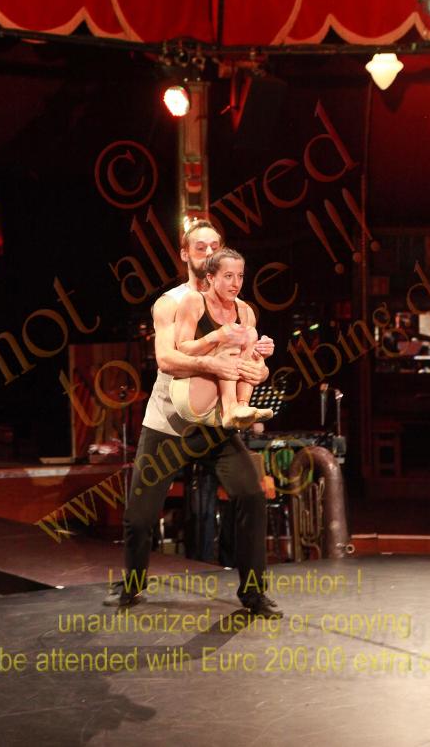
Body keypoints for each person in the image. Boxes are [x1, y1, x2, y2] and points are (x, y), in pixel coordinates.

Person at [104, 219, 282, 618]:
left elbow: (251, 361)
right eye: (200, 247)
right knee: (140, 517)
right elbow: (167, 359)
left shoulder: (240, 308)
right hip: (169, 425)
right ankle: (132, 584)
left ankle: (254, 593)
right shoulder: (172, 303)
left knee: (251, 496)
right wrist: (214, 362)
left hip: (215, 426)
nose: (208, 253)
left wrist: (258, 370)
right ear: (185, 254)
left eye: (215, 246)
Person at [169, 247, 274, 430]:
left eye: (240, 276)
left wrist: (262, 355)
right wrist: (217, 336)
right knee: (233, 337)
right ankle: (230, 407)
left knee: (250, 335)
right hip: (191, 392)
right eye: (228, 276)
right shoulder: (194, 300)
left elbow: (247, 358)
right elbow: (182, 349)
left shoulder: (245, 310)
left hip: (218, 398)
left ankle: (241, 405)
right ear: (210, 278)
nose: (236, 283)